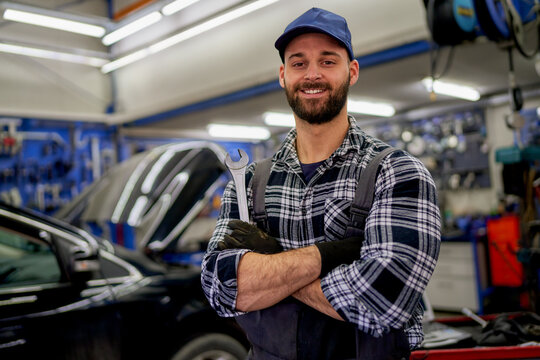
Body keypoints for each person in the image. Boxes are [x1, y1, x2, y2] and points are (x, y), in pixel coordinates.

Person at [201, 7, 441, 360]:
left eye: (328, 61)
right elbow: (220, 289)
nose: (312, 74)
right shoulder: (249, 183)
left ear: (352, 71)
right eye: (299, 63)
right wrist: (330, 257)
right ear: (283, 75)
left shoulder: (398, 173)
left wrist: (269, 267)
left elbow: (382, 301)